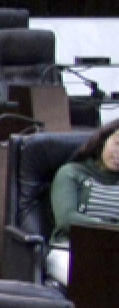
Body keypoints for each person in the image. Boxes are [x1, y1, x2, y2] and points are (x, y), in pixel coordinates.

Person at [44, 118, 119, 285]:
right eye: (117, 144)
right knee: (93, 283)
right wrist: (109, 230)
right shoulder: (71, 173)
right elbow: (66, 219)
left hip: (113, 252)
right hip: (70, 249)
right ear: (103, 141)